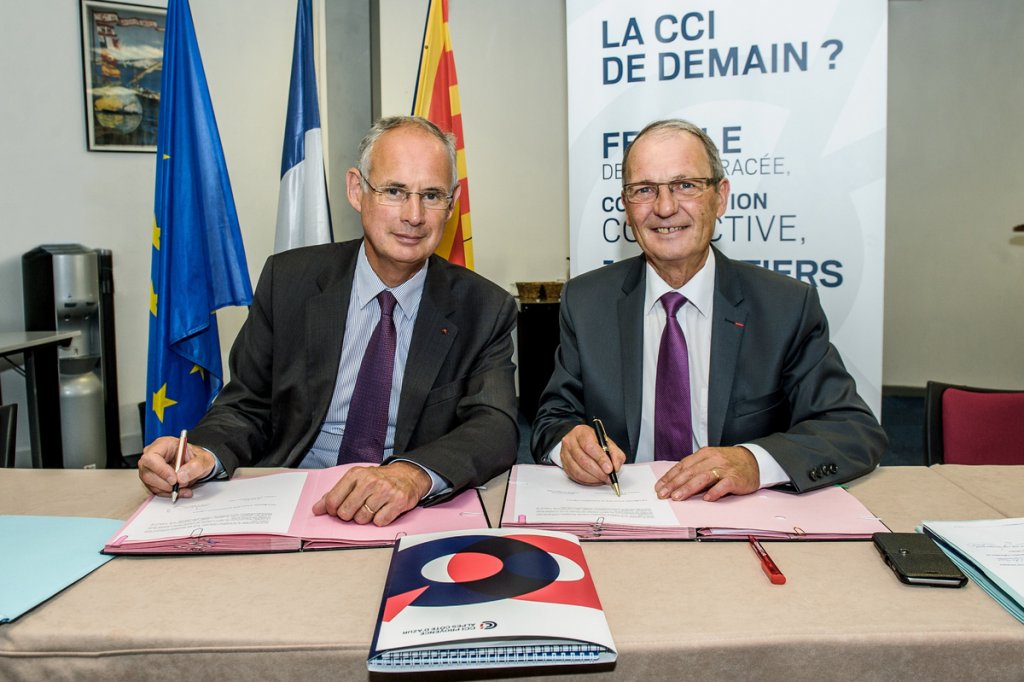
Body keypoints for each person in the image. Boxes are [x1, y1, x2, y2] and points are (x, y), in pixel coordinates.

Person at [139, 116, 518, 526]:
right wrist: (203, 453)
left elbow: (494, 426)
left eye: (431, 195)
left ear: (452, 201)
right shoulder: (288, 282)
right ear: (357, 190)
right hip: (291, 496)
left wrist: (412, 474)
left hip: (407, 510)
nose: (414, 215)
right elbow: (247, 404)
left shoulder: (484, 307)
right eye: (394, 191)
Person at [532, 118, 886, 502]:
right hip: (624, 511)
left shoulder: (784, 307)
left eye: (686, 186)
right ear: (626, 206)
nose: (665, 208)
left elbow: (851, 429)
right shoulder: (586, 302)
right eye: (644, 190)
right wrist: (567, 444)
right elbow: (553, 418)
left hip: (740, 519)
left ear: (721, 197)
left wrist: (755, 461)